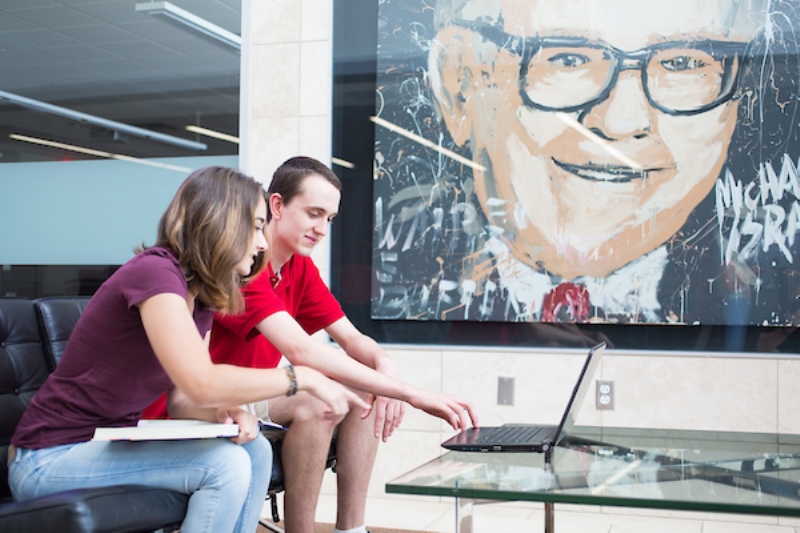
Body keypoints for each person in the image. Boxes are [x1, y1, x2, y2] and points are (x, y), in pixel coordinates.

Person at [371, 0, 800, 326]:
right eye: (569, 58)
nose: (621, 121)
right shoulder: (406, 284)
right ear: (461, 81)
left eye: (683, 63)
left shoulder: (753, 298)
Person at [8, 166, 366, 533]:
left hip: (102, 444)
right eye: (257, 226)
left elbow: (183, 399)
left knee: (254, 450)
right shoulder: (155, 274)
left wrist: (222, 414)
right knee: (223, 465)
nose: (262, 243)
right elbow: (200, 381)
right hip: (48, 456)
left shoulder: (200, 297)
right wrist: (299, 378)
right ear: (221, 223)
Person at [208, 156, 479, 533]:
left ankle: (351, 529)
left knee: (364, 388)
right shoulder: (245, 264)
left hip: (262, 392)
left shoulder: (298, 267)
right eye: (314, 213)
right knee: (318, 399)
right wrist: (413, 394)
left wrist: (385, 368)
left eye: (329, 219)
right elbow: (304, 351)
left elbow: (352, 339)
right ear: (277, 205)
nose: (321, 229)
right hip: (219, 395)